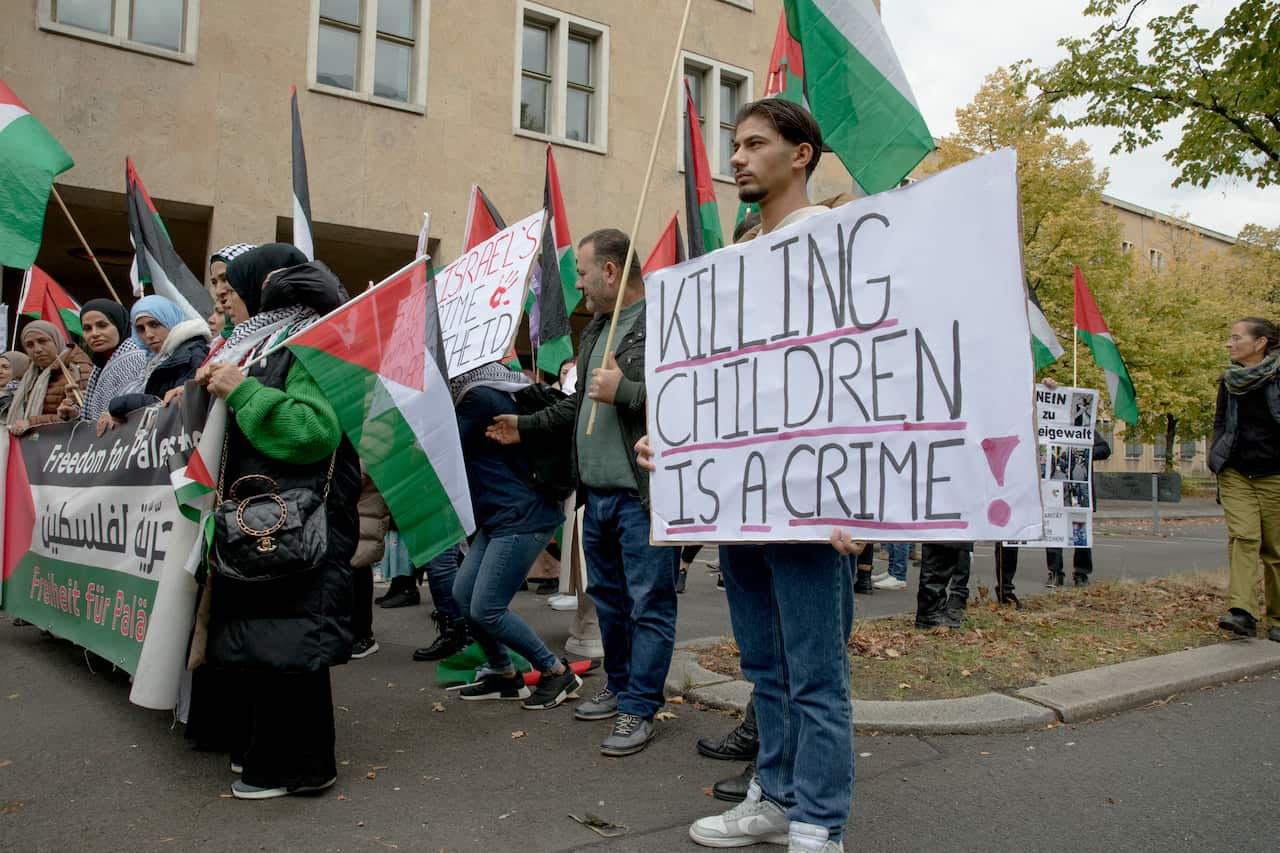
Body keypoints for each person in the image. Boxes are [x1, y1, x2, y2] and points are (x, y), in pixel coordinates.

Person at [641, 99, 861, 853]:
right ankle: (775, 797)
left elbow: (857, 374)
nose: (736, 157)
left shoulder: (834, 241)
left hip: (811, 504)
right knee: (766, 669)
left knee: (815, 675)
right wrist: (675, 441)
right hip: (740, 503)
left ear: (801, 154)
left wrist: (862, 497)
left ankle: (819, 824)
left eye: (755, 143)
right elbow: (724, 384)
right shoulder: (730, 266)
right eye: (734, 144)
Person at [487, 228, 679, 756]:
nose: (578, 285)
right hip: (596, 497)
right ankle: (621, 686)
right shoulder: (596, 329)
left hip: (643, 497)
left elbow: (688, 398)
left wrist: (628, 391)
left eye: (584, 273)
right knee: (610, 603)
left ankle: (640, 706)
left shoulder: (666, 320)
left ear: (611, 272)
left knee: (649, 605)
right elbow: (580, 404)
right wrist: (526, 427)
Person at [200, 242, 359, 800]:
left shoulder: (306, 342)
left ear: (261, 286)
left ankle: (299, 768)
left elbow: (315, 431)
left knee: (288, 645)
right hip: (265, 518)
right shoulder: (260, 344)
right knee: (264, 639)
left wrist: (242, 390)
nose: (226, 295)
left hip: (292, 522)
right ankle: (263, 753)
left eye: (235, 283)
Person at [451, 362, 583, 709]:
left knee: (486, 608)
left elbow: (442, 450)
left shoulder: (477, 397)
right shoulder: (484, 389)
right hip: (500, 515)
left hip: (521, 514)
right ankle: (503, 674)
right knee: (464, 595)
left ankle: (556, 671)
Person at [1210, 317, 1280, 640]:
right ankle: (1243, 612)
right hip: (1236, 472)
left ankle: (1277, 618)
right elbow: (1220, 422)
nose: (1229, 343)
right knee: (1244, 537)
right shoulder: (1229, 381)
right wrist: (1216, 457)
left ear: (1260, 342)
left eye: (1237, 337)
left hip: (1274, 473)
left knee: (1275, 549)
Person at [107, 295, 211, 420]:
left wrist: (126, 404)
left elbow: (179, 405)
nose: (148, 334)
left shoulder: (191, 354)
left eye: (154, 324)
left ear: (169, 319)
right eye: (141, 329)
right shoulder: (152, 360)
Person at [73, 299, 149, 433]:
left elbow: (135, 412)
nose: (94, 334)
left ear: (119, 324)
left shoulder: (134, 357)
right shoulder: (100, 363)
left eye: (102, 325)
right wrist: (74, 413)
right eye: (87, 328)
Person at [6, 320, 92, 434]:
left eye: (42, 341)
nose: (37, 349)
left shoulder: (77, 369)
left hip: (62, 442)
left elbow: (85, 417)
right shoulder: (31, 374)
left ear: (56, 340)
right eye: (30, 345)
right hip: (33, 442)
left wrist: (31, 423)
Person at [0, 351, 32, 421]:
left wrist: (3, 399)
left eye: (5, 367)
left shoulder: (27, 396)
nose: (0, 371)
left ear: (19, 369)